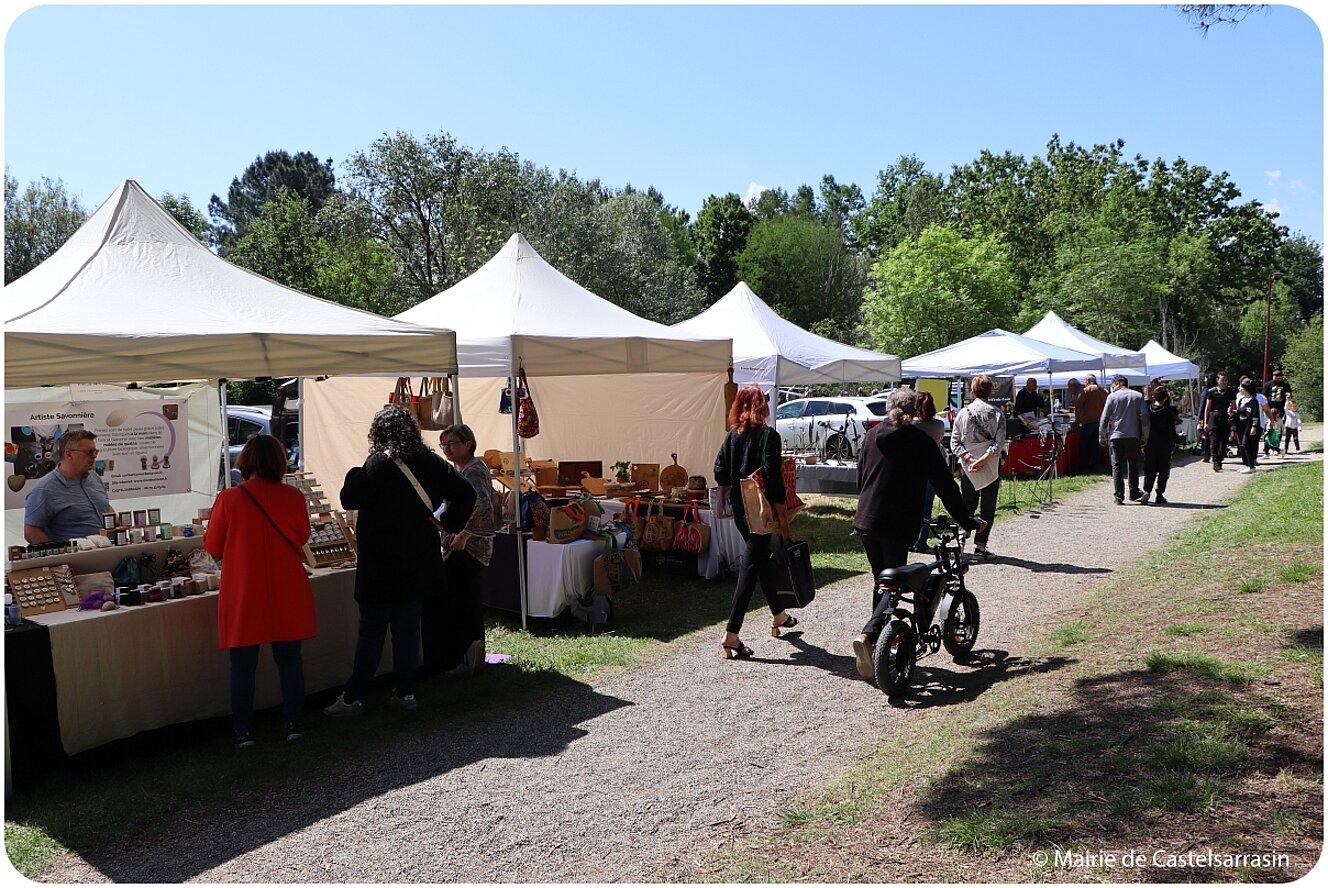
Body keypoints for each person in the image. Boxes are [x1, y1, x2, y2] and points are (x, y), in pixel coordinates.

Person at [325, 406, 476, 715]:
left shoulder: (377, 465)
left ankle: (354, 698)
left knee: (372, 635)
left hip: (380, 566)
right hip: (418, 561)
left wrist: (357, 470)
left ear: (377, 434)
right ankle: (405, 693)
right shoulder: (432, 463)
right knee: (408, 633)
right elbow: (466, 493)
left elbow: (348, 497)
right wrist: (448, 522)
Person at [851, 389, 983, 679]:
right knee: (894, 583)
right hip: (896, 523)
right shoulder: (920, 441)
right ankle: (871, 636)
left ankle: (878, 646)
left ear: (888, 408)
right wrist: (967, 520)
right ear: (914, 411)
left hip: (866, 519)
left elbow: (860, 476)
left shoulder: (872, 436)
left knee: (883, 582)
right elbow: (946, 486)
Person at [204, 434, 315, 747]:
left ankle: (244, 731)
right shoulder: (293, 497)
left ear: (245, 462)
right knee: (290, 660)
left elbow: (212, 545)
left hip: (244, 587)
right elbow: (302, 535)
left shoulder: (229, 499)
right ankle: (294, 723)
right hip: (287, 584)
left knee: (243, 664)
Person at [713, 383, 796, 660]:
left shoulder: (731, 437)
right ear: (762, 406)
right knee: (750, 568)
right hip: (760, 512)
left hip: (740, 510)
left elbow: (720, 472)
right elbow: (773, 479)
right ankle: (731, 634)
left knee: (759, 560)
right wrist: (782, 517)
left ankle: (779, 615)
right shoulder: (768, 437)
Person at [426, 423, 496, 678]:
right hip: (462, 543)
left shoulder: (473, 472)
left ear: (468, 444)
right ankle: (470, 656)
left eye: (452, 443)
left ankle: (467, 660)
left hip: (469, 547)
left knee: (464, 603)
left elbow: (483, 505)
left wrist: (464, 535)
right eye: (443, 444)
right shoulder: (463, 470)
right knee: (464, 602)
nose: (447, 449)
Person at [22, 430, 112, 543]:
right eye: (89, 452)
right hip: (75, 558)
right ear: (69, 454)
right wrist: (59, 554)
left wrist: (119, 524)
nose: (94, 456)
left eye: (95, 452)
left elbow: (105, 507)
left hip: (109, 551)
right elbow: (31, 533)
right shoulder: (44, 489)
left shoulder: (94, 477)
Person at [950, 374, 1004, 561]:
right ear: (990, 391)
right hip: (989, 465)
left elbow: (954, 442)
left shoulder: (962, 413)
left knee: (967, 505)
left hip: (967, 466)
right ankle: (981, 547)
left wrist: (967, 457)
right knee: (988, 507)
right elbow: (998, 443)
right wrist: (983, 459)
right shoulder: (997, 413)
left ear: (973, 391)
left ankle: (961, 542)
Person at [1099, 375, 1150, 505]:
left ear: (1116, 384)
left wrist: (1102, 434)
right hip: (1133, 435)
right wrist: (1145, 435)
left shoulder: (1112, 397)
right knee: (1132, 465)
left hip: (1116, 436)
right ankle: (1133, 492)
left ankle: (1118, 496)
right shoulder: (1138, 396)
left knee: (1116, 466)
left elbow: (1104, 417)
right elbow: (1144, 417)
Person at [909, 391, 947, 552]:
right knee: (926, 507)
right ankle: (921, 540)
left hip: (913, 470)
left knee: (911, 506)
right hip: (931, 469)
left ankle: (911, 539)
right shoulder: (939, 425)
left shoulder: (912, 426)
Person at [1141, 386, 1178, 505]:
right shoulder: (1168, 412)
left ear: (1153, 396)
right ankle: (1159, 494)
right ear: (1166, 397)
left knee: (1149, 468)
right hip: (1164, 445)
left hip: (1150, 444)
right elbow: (1171, 431)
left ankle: (1147, 490)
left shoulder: (1148, 409)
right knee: (1163, 471)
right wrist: (1172, 445)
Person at [1073, 373, 1109, 472]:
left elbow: (1079, 404)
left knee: (1084, 444)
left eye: (1085, 381)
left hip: (1088, 421)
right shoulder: (1103, 391)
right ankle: (1096, 465)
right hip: (1100, 421)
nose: (1084, 383)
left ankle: (1084, 466)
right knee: (1096, 445)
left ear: (1088, 381)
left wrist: (1074, 399)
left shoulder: (1086, 390)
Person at [1205, 373, 1236, 472]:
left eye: (1226, 380)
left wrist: (1233, 419)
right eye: (1222, 380)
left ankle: (1220, 458)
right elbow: (1207, 407)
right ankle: (1215, 461)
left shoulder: (1230, 392)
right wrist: (1205, 422)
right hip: (1214, 417)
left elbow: (1234, 406)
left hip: (1225, 418)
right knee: (1214, 441)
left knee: (1224, 441)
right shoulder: (1211, 392)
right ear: (1217, 380)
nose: (1224, 382)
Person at [1233, 379, 1263, 473]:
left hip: (1249, 425)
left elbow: (1255, 415)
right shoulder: (1241, 399)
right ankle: (1245, 464)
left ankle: (1251, 466)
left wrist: (1254, 427)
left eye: (1241, 387)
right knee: (1241, 445)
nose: (1240, 389)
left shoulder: (1253, 401)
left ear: (1246, 388)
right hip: (1240, 425)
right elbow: (1239, 412)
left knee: (1246, 444)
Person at [1262, 369, 1292, 457]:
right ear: (1273, 376)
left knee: (1277, 430)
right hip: (1269, 410)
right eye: (1276, 377)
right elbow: (1263, 396)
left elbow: (1289, 394)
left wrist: (1289, 395)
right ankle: (1267, 448)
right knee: (1268, 429)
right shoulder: (1268, 385)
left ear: (1281, 377)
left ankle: (1275, 447)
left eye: (1279, 378)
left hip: (1280, 410)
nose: (1277, 379)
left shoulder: (1285, 385)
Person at [1196, 372, 1217, 462]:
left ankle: (1207, 455)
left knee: (1207, 436)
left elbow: (1203, 405)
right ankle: (1210, 454)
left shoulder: (1207, 391)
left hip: (1207, 416)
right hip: (1214, 415)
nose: (1204, 380)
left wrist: (1200, 419)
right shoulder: (1216, 390)